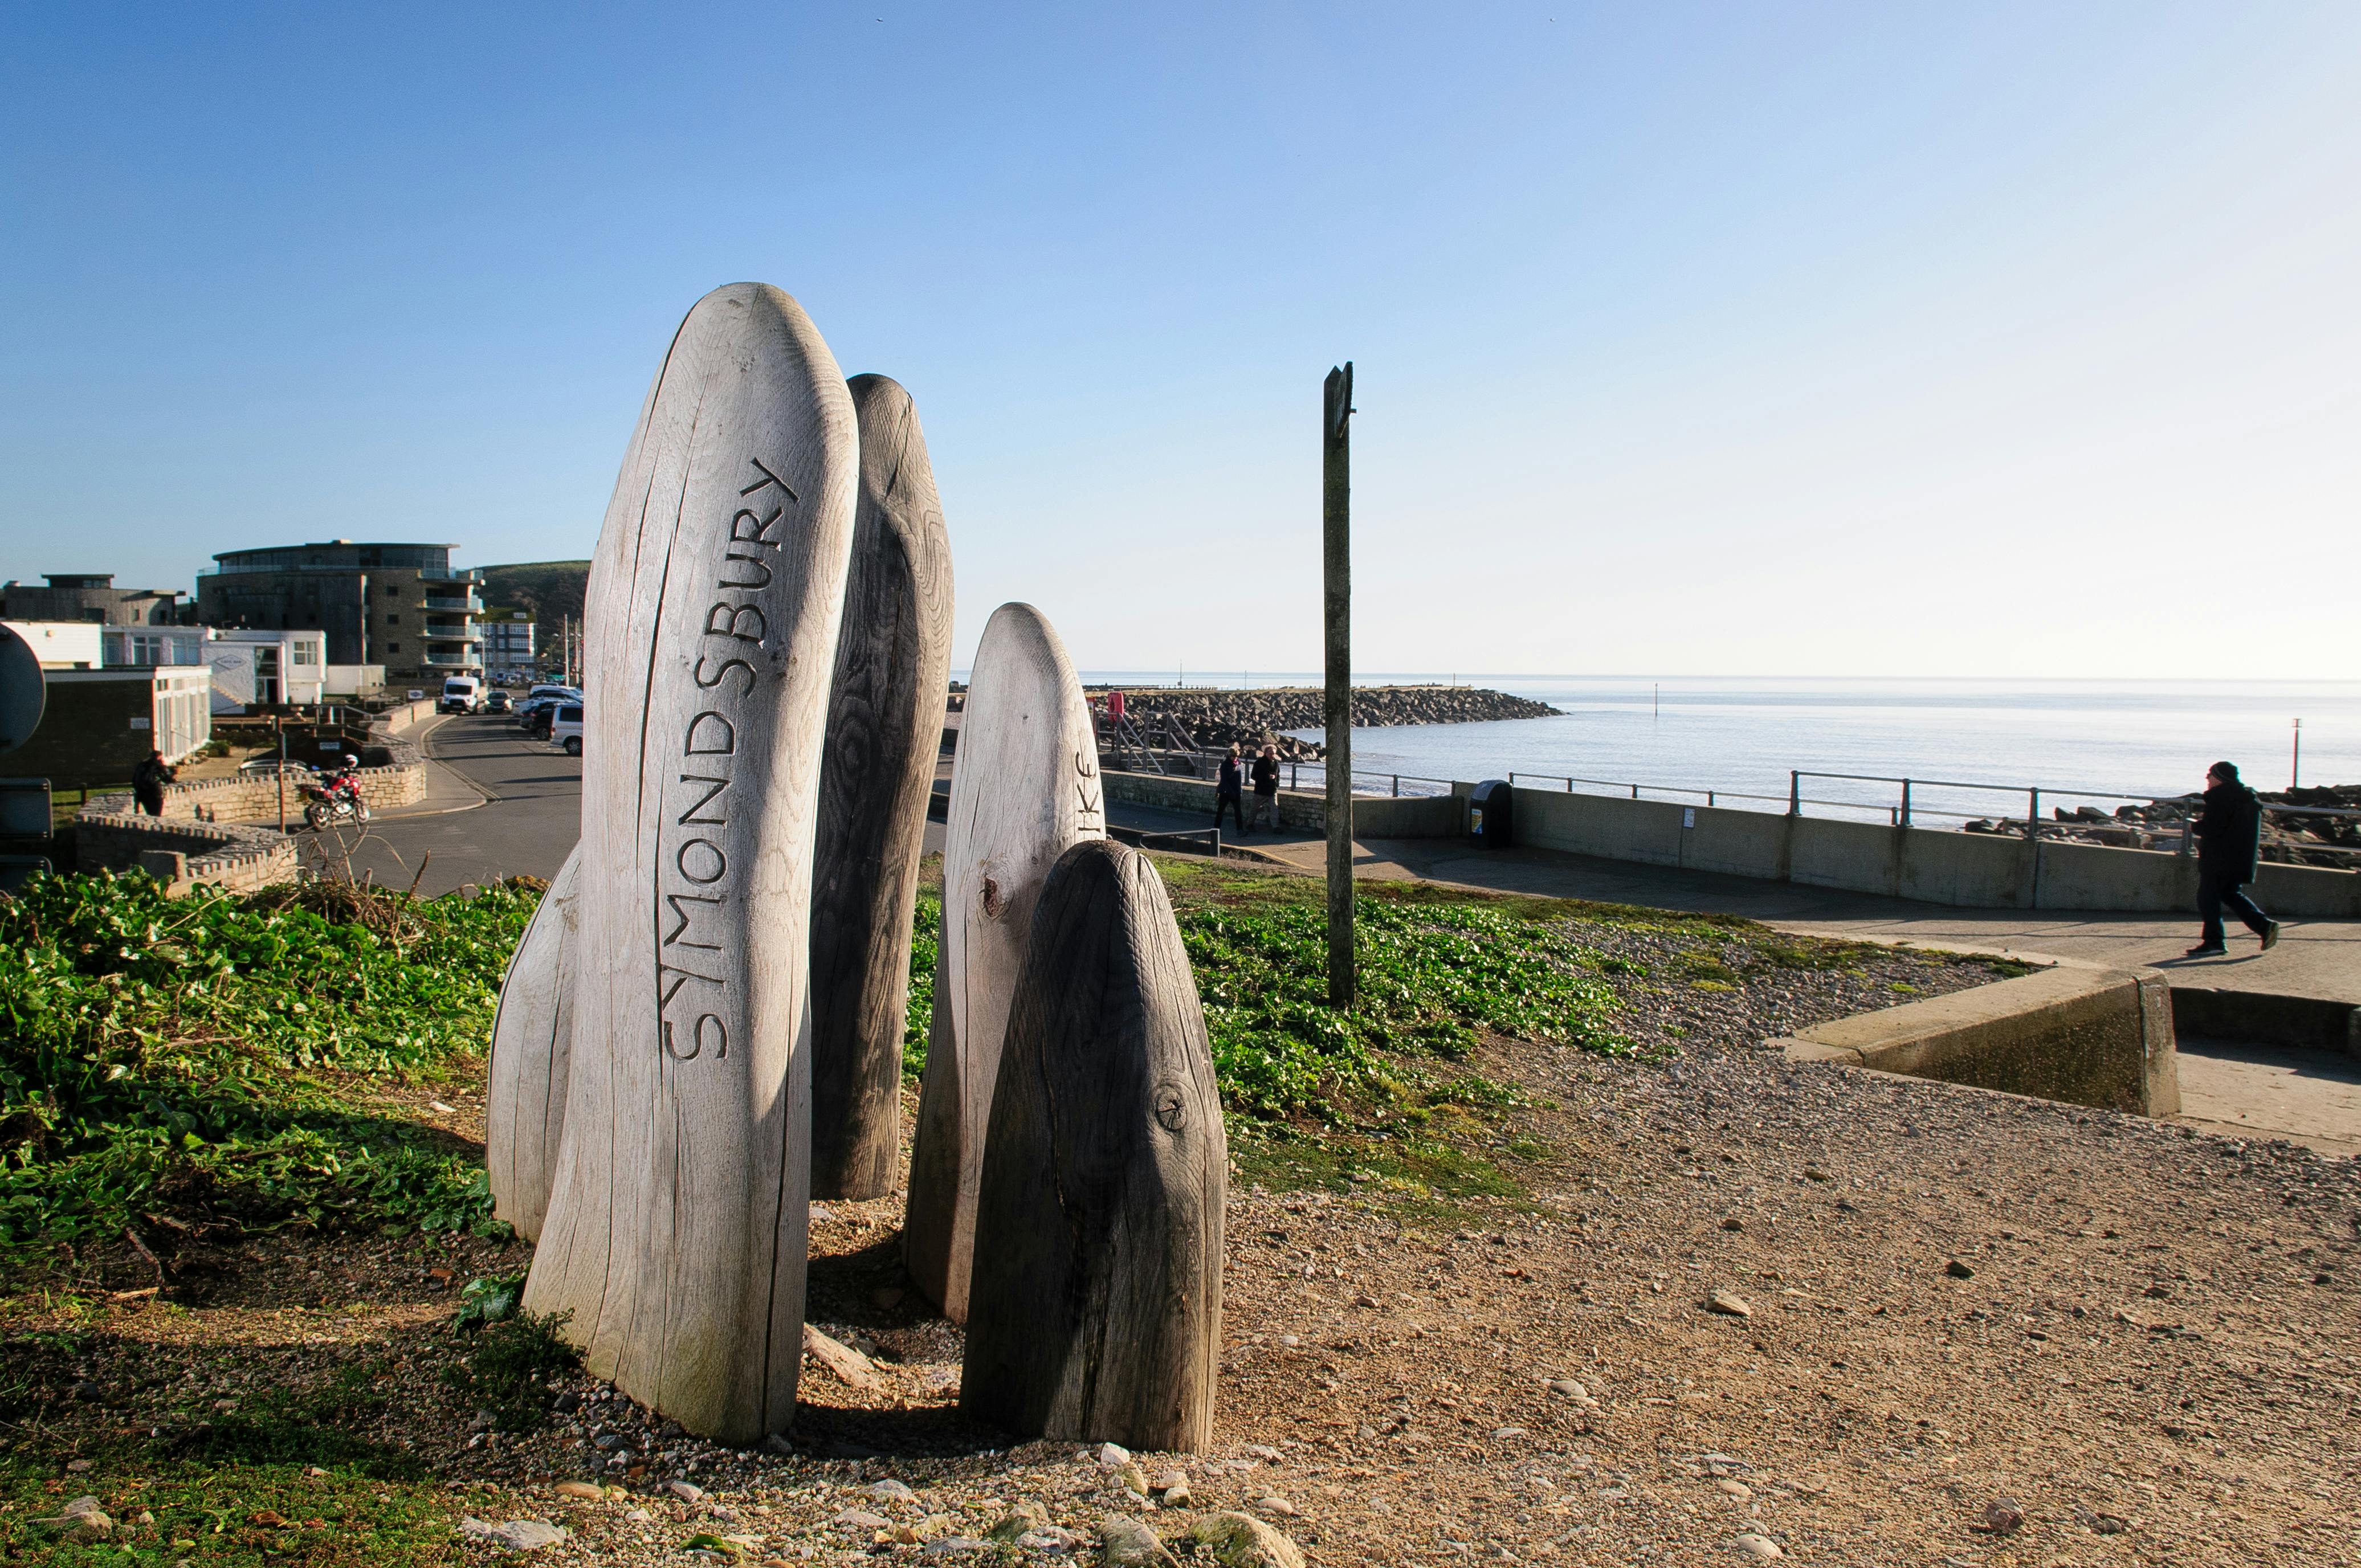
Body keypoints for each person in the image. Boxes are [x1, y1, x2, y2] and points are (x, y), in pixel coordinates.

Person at [2187, 760, 2279, 958]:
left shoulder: (2220, 797)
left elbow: (2213, 827)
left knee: (2207, 899)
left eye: (2210, 775)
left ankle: (2214, 942)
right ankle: (2264, 926)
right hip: (2240, 859)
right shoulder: (2247, 798)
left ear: (2219, 778)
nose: (2207, 779)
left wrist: (2194, 826)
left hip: (2219, 859)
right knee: (2230, 894)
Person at [1247, 742, 1281, 832]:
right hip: (1261, 791)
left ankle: (1276, 827)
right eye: (1270, 753)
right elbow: (1253, 776)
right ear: (1265, 753)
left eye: (1274, 753)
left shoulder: (1276, 763)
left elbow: (1278, 775)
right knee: (1255, 809)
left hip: (1272, 791)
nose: (1272, 755)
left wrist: (1276, 784)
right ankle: (1250, 824)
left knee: (1274, 809)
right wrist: (1267, 777)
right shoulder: (1259, 763)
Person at [131, 749, 175, 817]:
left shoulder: (141, 764)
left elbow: (134, 779)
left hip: (141, 793)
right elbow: (168, 777)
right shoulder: (158, 765)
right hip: (154, 792)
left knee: (150, 814)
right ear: (159, 757)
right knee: (157, 815)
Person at [1213, 742, 1245, 835]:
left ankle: (1240, 830)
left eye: (1236, 756)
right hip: (1226, 792)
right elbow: (1224, 781)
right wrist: (1231, 792)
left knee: (1238, 812)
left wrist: (1239, 791)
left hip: (1236, 791)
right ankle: (1216, 829)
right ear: (1229, 755)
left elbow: (1239, 780)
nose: (1235, 758)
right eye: (1233, 756)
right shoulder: (1225, 765)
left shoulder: (1238, 764)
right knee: (1221, 811)